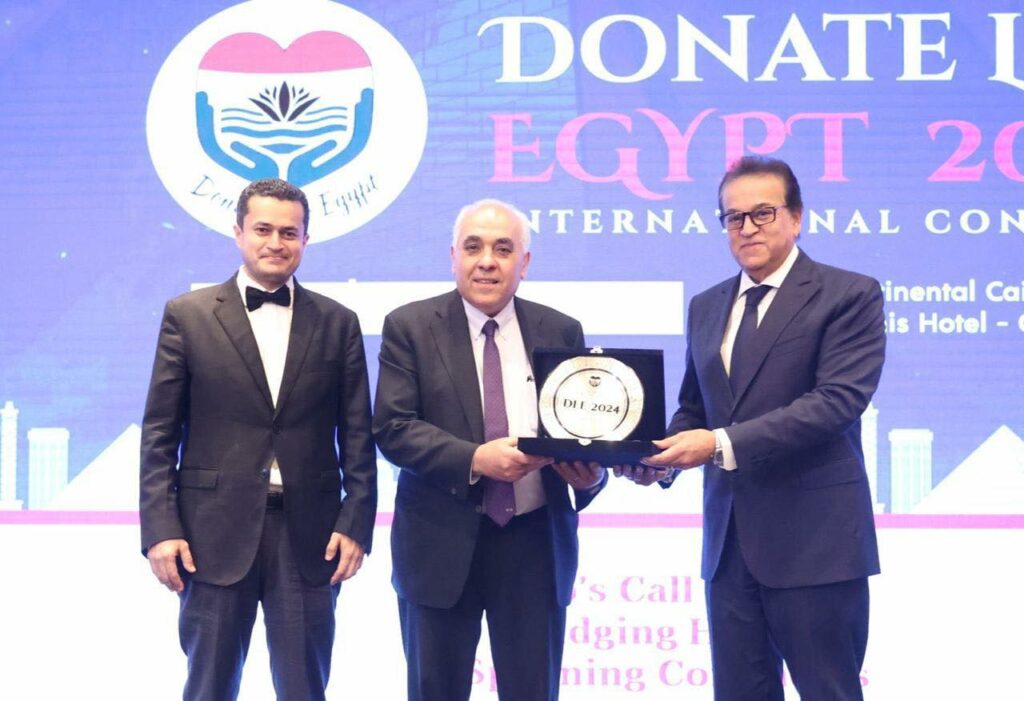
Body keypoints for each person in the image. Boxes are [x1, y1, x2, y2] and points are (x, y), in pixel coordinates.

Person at [624, 157, 884, 700]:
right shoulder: (706, 306)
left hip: (816, 545)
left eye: (763, 213)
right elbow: (695, 410)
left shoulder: (849, 294)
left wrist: (717, 444)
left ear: (797, 218)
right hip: (729, 547)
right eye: (733, 217)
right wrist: (655, 460)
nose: (747, 228)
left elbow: (836, 402)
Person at [139, 178, 377, 700]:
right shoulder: (188, 316)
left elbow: (358, 435)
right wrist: (160, 529)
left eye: (289, 232)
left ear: (306, 240)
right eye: (263, 229)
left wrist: (356, 523)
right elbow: (159, 433)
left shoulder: (338, 323)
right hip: (209, 535)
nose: (275, 242)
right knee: (209, 687)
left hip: (311, 535)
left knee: (304, 688)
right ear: (238, 233)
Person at [373, 199, 606, 701]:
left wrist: (592, 477)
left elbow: (581, 429)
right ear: (452, 256)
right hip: (438, 542)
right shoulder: (410, 326)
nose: (487, 262)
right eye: (473, 247)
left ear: (524, 263)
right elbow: (393, 428)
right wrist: (476, 460)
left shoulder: (561, 330)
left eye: (503, 249)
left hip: (534, 546)